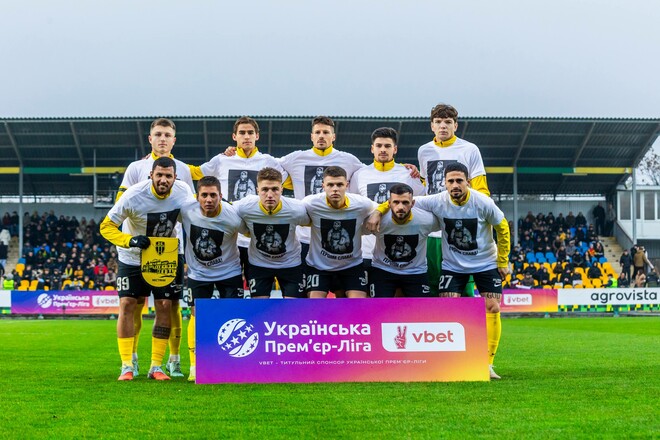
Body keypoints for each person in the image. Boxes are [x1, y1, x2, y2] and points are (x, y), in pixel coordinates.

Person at [368, 162, 509, 379]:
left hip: (485, 263)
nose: (455, 185)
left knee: (493, 307)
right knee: (447, 308)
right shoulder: (436, 200)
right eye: (451, 181)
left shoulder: (483, 202)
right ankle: (451, 360)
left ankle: (487, 362)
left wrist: (502, 260)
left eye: (459, 180)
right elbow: (403, 200)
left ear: (468, 182)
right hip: (452, 265)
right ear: (445, 183)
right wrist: (379, 211)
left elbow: (502, 226)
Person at [100, 157, 195, 381]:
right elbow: (106, 226)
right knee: (127, 304)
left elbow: (196, 216)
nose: (163, 180)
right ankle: (127, 364)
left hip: (165, 257)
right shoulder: (134, 195)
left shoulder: (183, 191)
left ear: (175, 178)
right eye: (159, 175)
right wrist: (129, 240)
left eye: (168, 176)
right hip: (132, 257)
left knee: (164, 305)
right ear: (151, 175)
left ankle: (156, 366)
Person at [190, 116, 286, 275]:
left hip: (255, 234)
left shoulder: (268, 161)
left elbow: (293, 181)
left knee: (256, 284)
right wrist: (158, 159)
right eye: (242, 133)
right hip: (229, 234)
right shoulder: (222, 160)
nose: (246, 136)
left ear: (257, 136)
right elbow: (193, 172)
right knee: (227, 281)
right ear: (234, 136)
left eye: (250, 132)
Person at [417, 104, 490, 297]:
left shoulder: (469, 150)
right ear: (432, 126)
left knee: (463, 287)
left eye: (448, 122)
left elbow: (481, 190)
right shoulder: (424, 151)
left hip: (460, 226)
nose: (443, 126)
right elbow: (425, 185)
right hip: (433, 231)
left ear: (455, 126)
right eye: (438, 122)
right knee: (432, 285)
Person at [180, 176, 245, 382]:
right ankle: (195, 365)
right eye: (204, 195)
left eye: (213, 195)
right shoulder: (185, 210)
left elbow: (251, 234)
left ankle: (230, 363)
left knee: (232, 316)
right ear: (197, 196)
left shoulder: (233, 217)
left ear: (221, 196)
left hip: (229, 271)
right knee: (196, 315)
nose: (209, 199)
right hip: (198, 273)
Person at [349, 127, 425, 268]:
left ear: (395, 149)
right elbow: (354, 207)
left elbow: (420, 204)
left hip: (396, 249)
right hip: (366, 250)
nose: (383, 149)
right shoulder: (359, 175)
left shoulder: (408, 174)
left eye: (387, 146)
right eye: (379, 145)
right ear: (372, 148)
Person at [233, 167, 310, 300]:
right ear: (257, 190)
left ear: (281, 190)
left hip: (290, 264)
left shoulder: (296, 209)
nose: (269, 195)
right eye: (264, 189)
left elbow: (312, 223)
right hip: (258, 265)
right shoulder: (243, 207)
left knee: (293, 308)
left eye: (274, 189)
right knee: (260, 307)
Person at [302, 166, 375, 298]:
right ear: (323, 186)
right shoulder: (311, 203)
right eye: (330, 185)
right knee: (315, 302)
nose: (335, 188)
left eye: (339, 184)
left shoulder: (362, 204)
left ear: (347, 185)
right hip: (319, 266)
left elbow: (382, 208)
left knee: (358, 303)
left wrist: (377, 213)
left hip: (352, 266)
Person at [366, 183, 438, 297]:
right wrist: (377, 212)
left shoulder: (427, 220)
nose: (400, 207)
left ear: (412, 203)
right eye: (396, 202)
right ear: (389, 203)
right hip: (383, 269)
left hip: (415, 271)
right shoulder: (377, 220)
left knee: (424, 307)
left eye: (405, 202)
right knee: (378, 305)